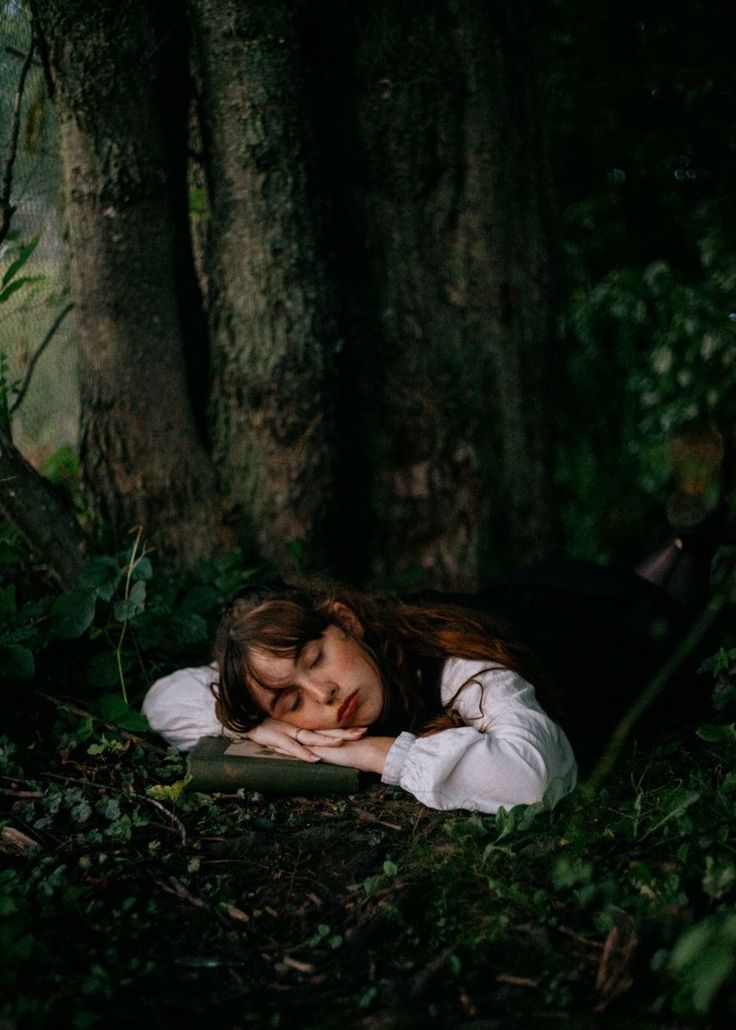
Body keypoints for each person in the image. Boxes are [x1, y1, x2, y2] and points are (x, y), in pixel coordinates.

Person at [142, 534, 714, 814]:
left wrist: (373, 753)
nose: (322, 694)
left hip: (596, 641)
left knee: (664, 602)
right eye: (290, 700)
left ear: (344, 620)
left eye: (316, 660)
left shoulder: (461, 668)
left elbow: (538, 779)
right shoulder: (285, 700)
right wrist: (265, 730)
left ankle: (693, 543)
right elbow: (164, 698)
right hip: (535, 611)